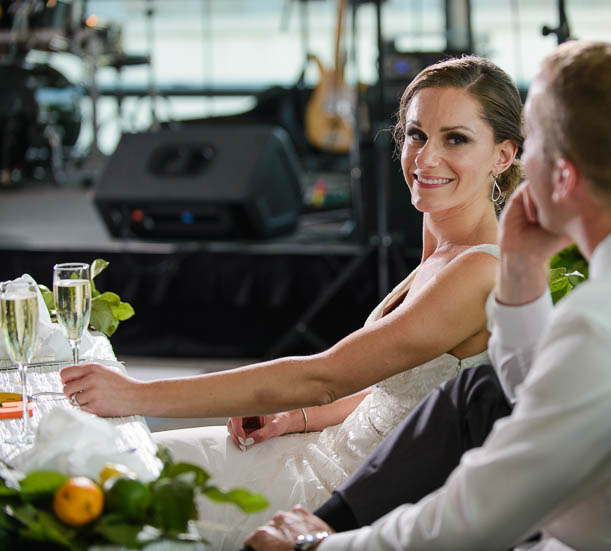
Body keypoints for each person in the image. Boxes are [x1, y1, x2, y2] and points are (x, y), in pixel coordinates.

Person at [240, 41, 611, 551]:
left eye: (532, 143)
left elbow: (473, 517)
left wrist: (315, 545)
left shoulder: (603, 329)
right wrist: (523, 273)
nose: (521, 162)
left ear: (561, 174)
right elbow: (529, 391)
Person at [59, 55, 522, 550]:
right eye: (416, 135)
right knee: (103, 468)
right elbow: (403, 391)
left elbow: (320, 378)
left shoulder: (479, 270)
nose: (426, 158)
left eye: (456, 139)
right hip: (318, 447)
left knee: (107, 491)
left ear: (503, 154)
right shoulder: (440, 249)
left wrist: (134, 395)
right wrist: (293, 419)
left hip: (343, 499)